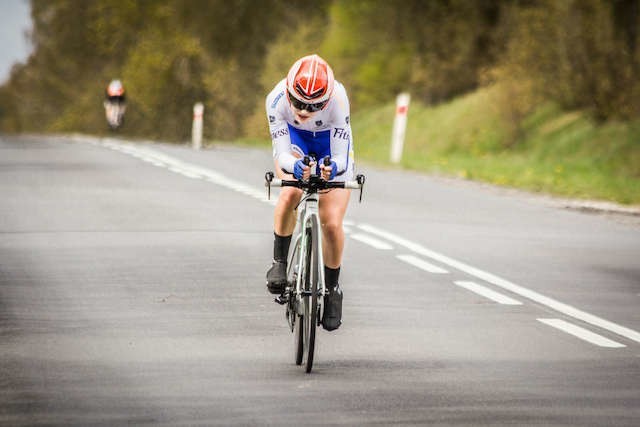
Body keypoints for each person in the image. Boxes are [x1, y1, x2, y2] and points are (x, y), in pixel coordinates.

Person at [265, 54, 354, 331]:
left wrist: (333, 169)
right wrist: (296, 166)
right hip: (295, 144)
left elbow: (342, 155)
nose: (303, 111)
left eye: (313, 106)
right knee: (290, 191)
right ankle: (279, 262)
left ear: (326, 101)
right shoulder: (276, 99)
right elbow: (281, 155)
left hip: (329, 146)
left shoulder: (339, 99)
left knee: (331, 223)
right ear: (288, 92)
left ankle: (332, 289)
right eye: (298, 102)